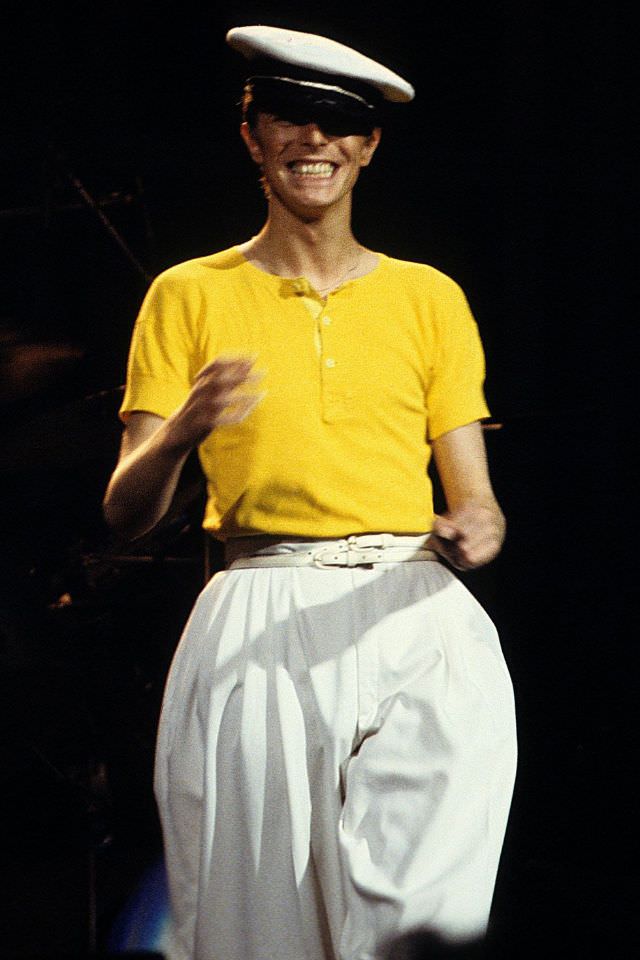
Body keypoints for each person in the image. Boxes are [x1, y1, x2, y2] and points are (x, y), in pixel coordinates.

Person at [103, 25, 517, 960]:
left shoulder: (428, 297)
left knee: (424, 914)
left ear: (369, 145)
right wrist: (179, 433)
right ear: (253, 137)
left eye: (339, 124)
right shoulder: (187, 294)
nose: (313, 142)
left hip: (412, 607)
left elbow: (476, 497)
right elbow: (126, 508)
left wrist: (476, 530)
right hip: (263, 611)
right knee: (262, 925)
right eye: (289, 118)